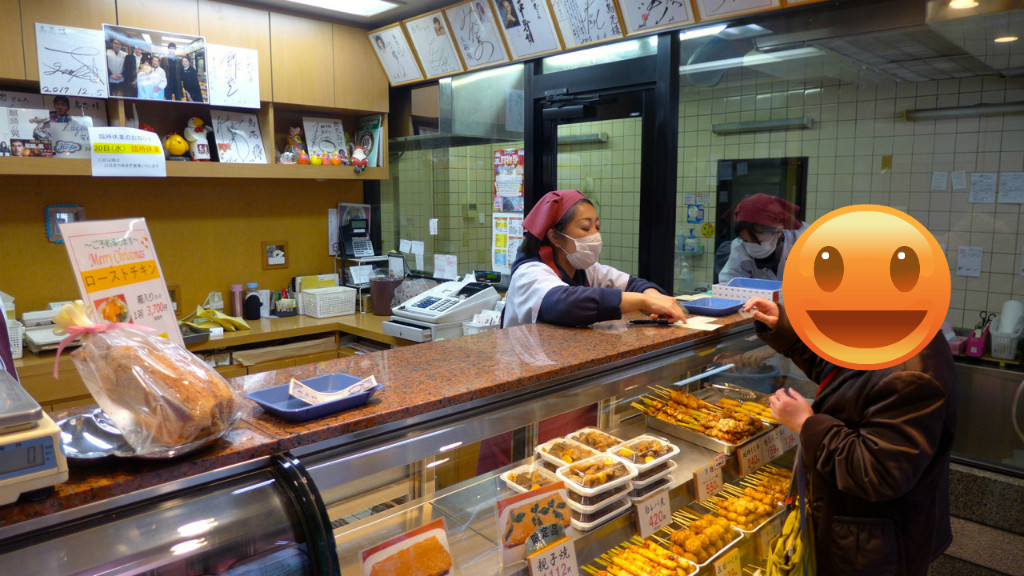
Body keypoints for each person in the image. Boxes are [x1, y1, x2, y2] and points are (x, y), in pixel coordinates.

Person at [744, 297, 957, 576]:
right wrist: (785, 330)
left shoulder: (910, 373)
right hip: (858, 528)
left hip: (875, 544)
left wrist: (807, 425)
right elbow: (840, 374)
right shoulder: (891, 332)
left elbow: (878, 470)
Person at [502, 189, 687, 328]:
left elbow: (633, 284)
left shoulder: (585, 269)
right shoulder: (529, 273)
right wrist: (643, 301)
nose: (595, 235)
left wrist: (654, 297)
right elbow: (564, 304)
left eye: (597, 227)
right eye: (585, 228)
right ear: (555, 237)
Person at [718, 193, 807, 284]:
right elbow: (728, 282)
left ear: (778, 231)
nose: (751, 247)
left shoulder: (805, 241)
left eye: (758, 241)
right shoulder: (740, 246)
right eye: (746, 240)